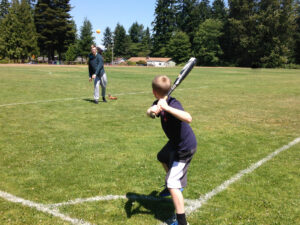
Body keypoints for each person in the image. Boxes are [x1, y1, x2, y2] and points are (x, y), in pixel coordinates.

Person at [146, 75, 197, 225]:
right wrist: (152, 110)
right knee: (162, 156)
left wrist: (167, 108)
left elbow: (188, 118)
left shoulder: (173, 103)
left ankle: (182, 222)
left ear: (154, 92)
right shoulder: (158, 102)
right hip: (175, 143)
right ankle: (172, 188)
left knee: (172, 182)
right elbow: (149, 113)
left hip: (185, 147)